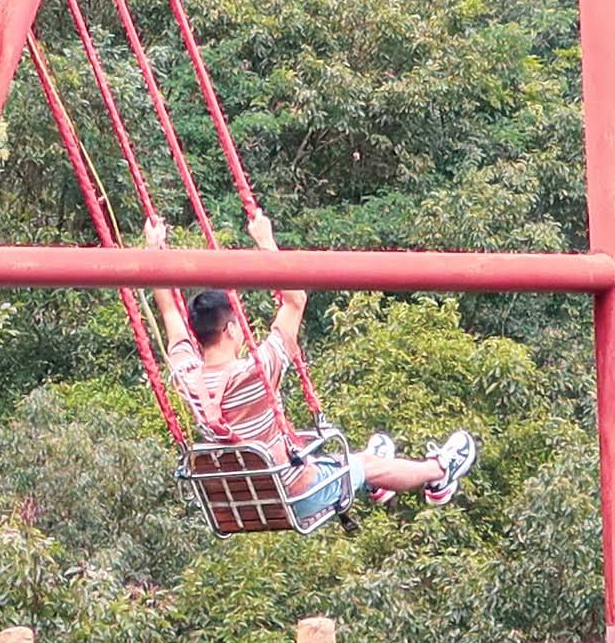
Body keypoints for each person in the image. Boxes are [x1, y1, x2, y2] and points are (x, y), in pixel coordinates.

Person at [144, 209, 476, 524]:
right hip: (295, 494)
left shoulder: (186, 378)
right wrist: (265, 242)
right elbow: (295, 299)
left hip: (243, 502)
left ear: (196, 335)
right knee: (366, 463)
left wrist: (152, 252)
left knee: (342, 461)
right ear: (232, 329)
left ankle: (374, 478)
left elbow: (170, 315)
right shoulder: (257, 372)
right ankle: (438, 474)